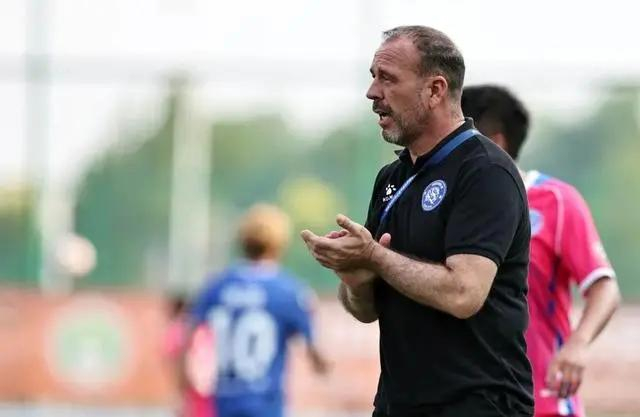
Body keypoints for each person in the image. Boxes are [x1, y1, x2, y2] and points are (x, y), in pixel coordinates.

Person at [301, 26, 533, 417]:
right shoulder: (392, 178)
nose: (372, 92)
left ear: (435, 90)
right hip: (397, 405)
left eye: (388, 79)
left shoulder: (486, 171)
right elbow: (367, 310)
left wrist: (374, 257)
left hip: (478, 405)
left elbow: (464, 294)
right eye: (373, 77)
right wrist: (356, 278)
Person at [461, 85, 621, 417]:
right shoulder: (448, 205)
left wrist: (577, 345)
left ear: (494, 142)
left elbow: (604, 286)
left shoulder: (556, 201)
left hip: (542, 401)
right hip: (467, 401)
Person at [190, 203, 327, 417]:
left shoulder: (216, 287)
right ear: (279, 244)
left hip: (224, 403)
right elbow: (316, 356)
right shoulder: (289, 291)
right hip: (266, 405)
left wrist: (182, 389)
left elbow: (187, 340)